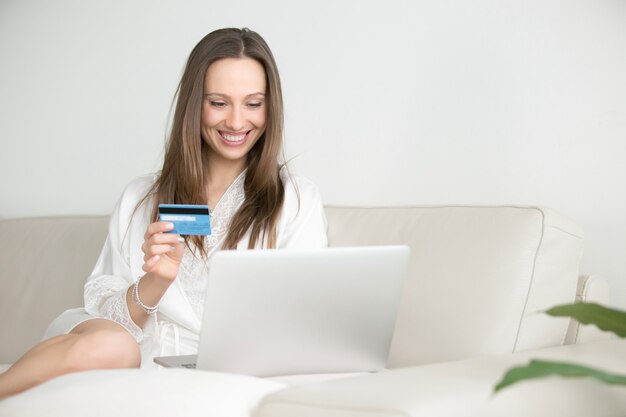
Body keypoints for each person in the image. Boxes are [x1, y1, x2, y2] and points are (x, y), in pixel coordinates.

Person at [0, 27, 327, 399]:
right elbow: (110, 320)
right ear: (194, 104)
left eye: (253, 103)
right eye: (218, 103)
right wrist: (156, 281)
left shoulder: (295, 200)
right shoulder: (141, 196)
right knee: (115, 346)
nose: (237, 122)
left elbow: (302, 321)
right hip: (122, 353)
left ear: (271, 105)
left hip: (222, 371)